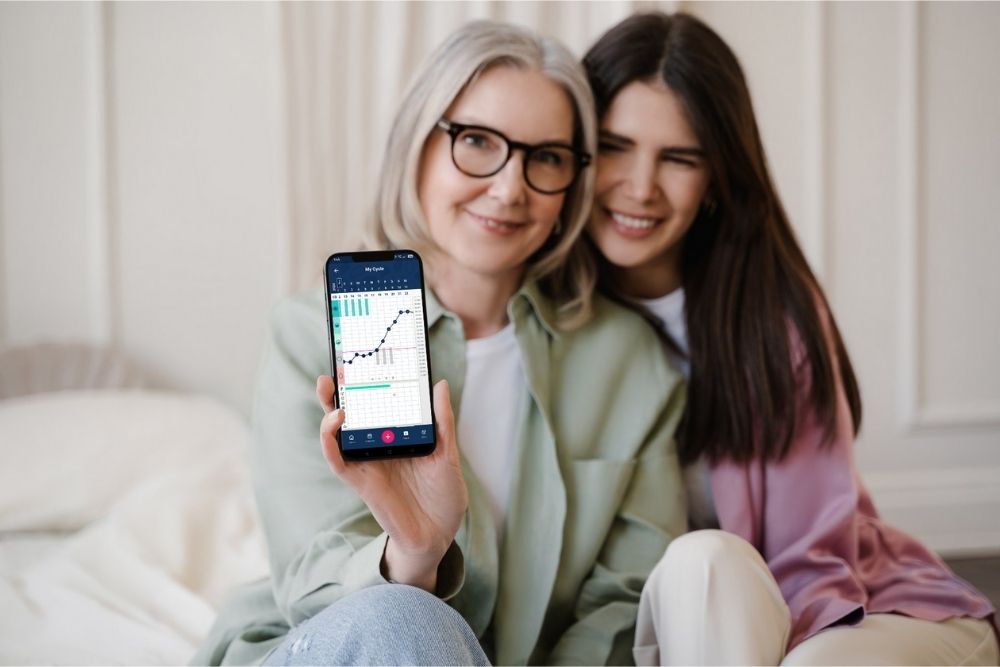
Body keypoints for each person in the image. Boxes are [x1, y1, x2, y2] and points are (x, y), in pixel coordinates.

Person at [193, 20, 687, 666]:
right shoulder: (311, 335)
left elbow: (625, 604)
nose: (510, 188)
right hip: (331, 647)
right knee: (403, 619)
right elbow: (311, 588)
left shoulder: (627, 362)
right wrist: (416, 554)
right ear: (417, 145)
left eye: (546, 158)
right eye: (477, 141)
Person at [582, 11, 998, 666]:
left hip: (859, 612)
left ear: (716, 175)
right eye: (614, 146)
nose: (639, 186)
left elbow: (813, 563)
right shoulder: (554, 319)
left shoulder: (770, 315)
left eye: (679, 157)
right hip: (703, 621)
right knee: (698, 562)